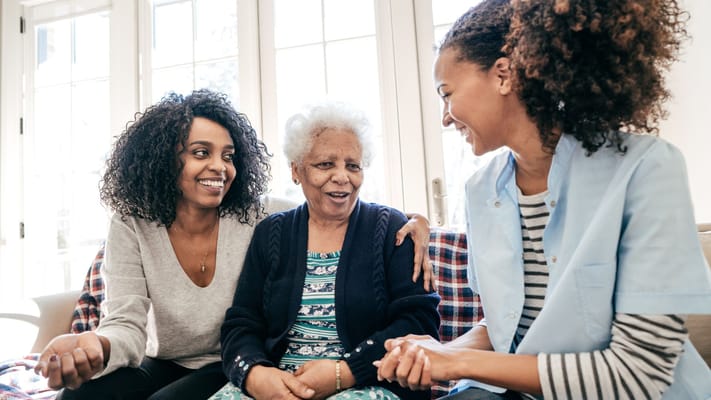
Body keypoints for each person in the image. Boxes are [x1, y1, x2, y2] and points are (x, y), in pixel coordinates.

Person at [375, 0, 711, 399]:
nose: (445, 117)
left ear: (503, 75)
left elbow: (638, 373)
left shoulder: (646, 169)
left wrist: (456, 362)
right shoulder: (479, 190)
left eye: (446, 94)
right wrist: (435, 353)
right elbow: (506, 327)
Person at [33, 90, 432, 400]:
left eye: (228, 155)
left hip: (224, 365)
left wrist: (416, 221)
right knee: (82, 394)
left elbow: (331, 210)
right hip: (174, 360)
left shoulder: (258, 216)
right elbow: (127, 325)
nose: (219, 168)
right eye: (200, 153)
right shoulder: (135, 224)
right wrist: (94, 344)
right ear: (164, 161)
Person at [209, 101, 441, 400]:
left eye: (353, 165)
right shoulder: (271, 232)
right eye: (325, 164)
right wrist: (255, 374)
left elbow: (419, 322)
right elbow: (242, 322)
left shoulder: (391, 228)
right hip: (281, 382)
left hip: (368, 381)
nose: (343, 177)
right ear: (296, 170)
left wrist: (343, 371)